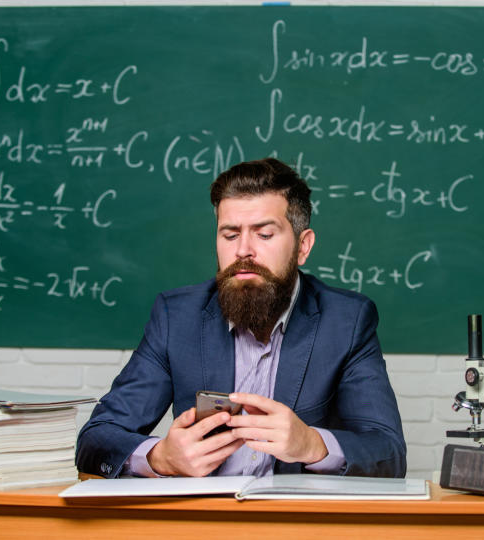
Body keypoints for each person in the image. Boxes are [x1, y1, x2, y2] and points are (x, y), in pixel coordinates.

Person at [76, 157, 406, 478]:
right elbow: (96, 439)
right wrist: (160, 457)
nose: (243, 250)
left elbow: (388, 452)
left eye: (264, 234)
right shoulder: (176, 317)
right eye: (230, 235)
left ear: (303, 246)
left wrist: (312, 444)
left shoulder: (347, 321)